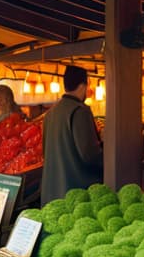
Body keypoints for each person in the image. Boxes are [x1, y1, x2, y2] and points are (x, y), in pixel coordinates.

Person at [42, 66, 103, 204]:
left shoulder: (50, 113)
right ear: (83, 85)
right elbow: (89, 154)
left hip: (52, 192)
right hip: (75, 191)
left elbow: (45, 152)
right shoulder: (79, 111)